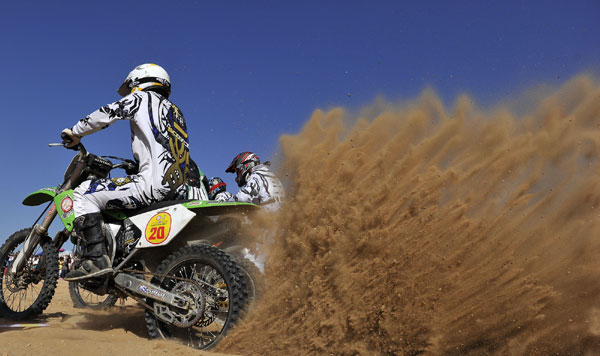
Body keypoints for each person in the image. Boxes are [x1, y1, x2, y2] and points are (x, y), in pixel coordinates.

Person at [62, 63, 193, 281]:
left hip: (151, 187)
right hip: (177, 191)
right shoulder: (176, 112)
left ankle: (96, 259)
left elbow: (106, 113)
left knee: (84, 193)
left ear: (138, 82)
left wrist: (75, 133)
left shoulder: (142, 98)